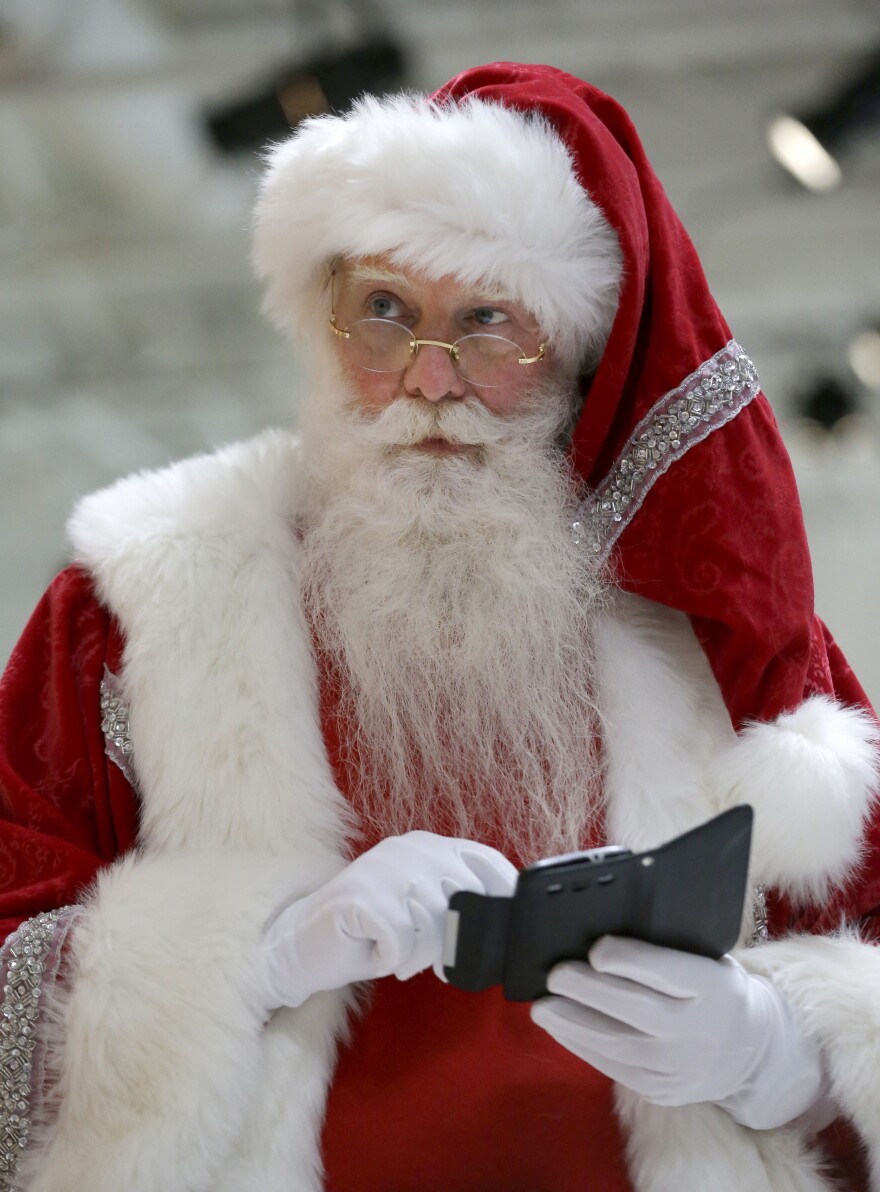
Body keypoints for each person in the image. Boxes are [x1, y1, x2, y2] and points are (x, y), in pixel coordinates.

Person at [1, 61, 879, 1192]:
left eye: (487, 325)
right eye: (383, 312)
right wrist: (257, 957)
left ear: (571, 354)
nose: (427, 377)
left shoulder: (711, 629)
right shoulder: (144, 601)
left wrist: (779, 1056)